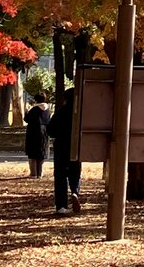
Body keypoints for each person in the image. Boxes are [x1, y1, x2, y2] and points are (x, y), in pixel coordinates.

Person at [48, 88, 83, 216]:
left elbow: (50, 130)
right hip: (76, 145)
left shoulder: (60, 113)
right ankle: (75, 191)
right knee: (75, 171)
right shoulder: (80, 114)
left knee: (60, 175)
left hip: (61, 146)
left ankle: (61, 206)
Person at [24, 92, 51, 178]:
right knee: (42, 152)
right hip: (45, 132)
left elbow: (27, 119)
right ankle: (40, 173)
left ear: (36, 99)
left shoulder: (34, 109)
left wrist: (26, 112)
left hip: (34, 132)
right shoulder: (47, 110)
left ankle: (33, 173)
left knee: (33, 153)